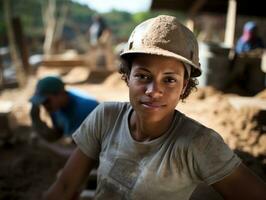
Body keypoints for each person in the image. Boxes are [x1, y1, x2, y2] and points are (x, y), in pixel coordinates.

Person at [43, 15, 266, 200]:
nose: (153, 90)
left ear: (184, 86)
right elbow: (64, 187)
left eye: (169, 80)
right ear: (127, 77)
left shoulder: (198, 144)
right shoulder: (105, 117)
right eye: (142, 76)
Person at [30, 76, 99, 155]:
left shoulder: (83, 110)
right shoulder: (56, 106)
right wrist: (35, 117)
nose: (44, 106)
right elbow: (58, 133)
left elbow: (80, 154)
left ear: (60, 94)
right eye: (41, 102)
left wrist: (46, 145)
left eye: (45, 101)